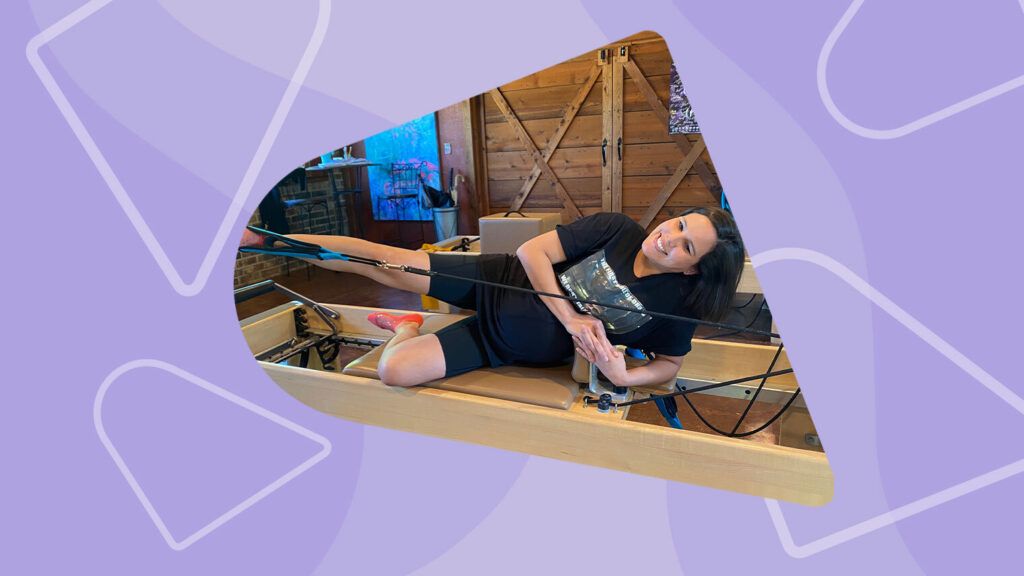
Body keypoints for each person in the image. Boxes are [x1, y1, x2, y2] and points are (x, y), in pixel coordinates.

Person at [241, 208, 744, 388]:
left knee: (394, 372)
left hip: (502, 343)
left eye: (685, 245)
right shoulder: (619, 229)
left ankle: (406, 328)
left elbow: (671, 364)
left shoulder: (676, 305)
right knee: (386, 262)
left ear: (695, 266)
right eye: (678, 224)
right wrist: (570, 317)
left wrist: (624, 374)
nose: (668, 238)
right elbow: (531, 252)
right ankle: (270, 241)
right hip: (497, 279)